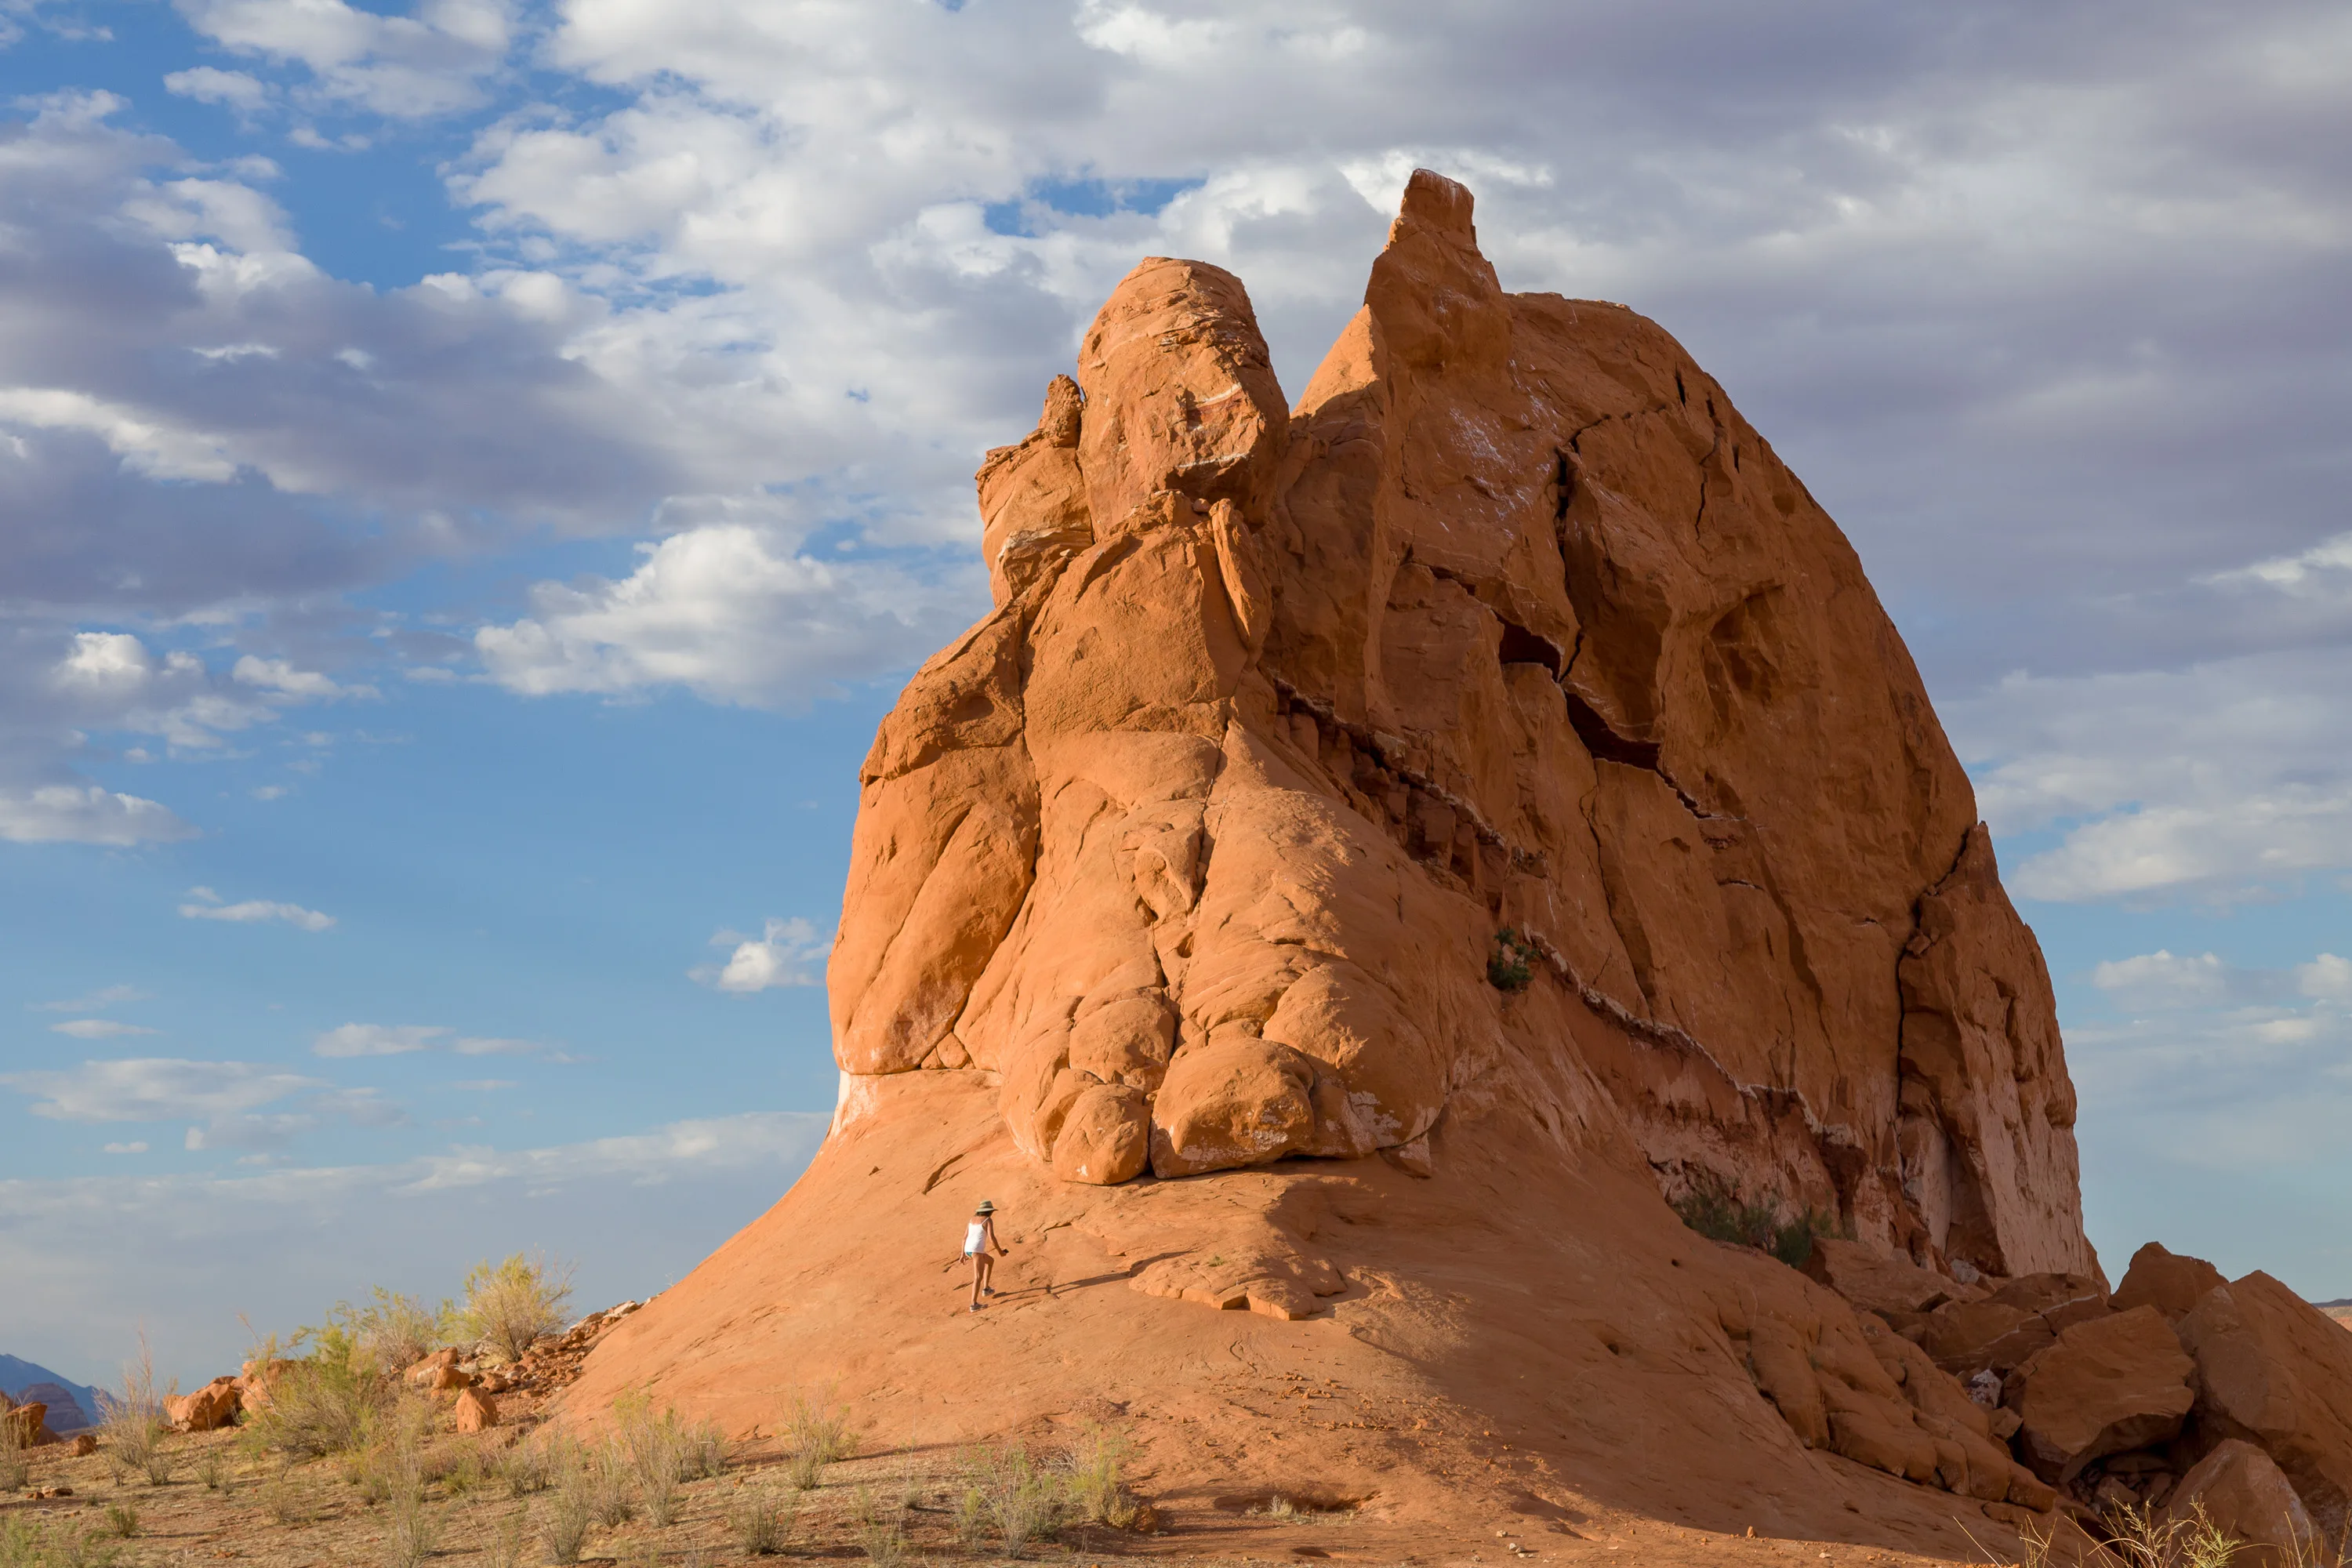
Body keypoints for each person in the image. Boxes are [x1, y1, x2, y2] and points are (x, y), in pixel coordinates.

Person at [961, 1200, 1007, 1312]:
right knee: (978, 1277)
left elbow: (964, 1237)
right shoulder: (988, 1220)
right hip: (976, 1251)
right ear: (989, 1212)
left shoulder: (972, 1220)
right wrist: (1000, 1251)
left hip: (968, 1250)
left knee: (990, 1261)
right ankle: (973, 1305)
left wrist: (962, 1254)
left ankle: (986, 1289)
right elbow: (992, 1238)